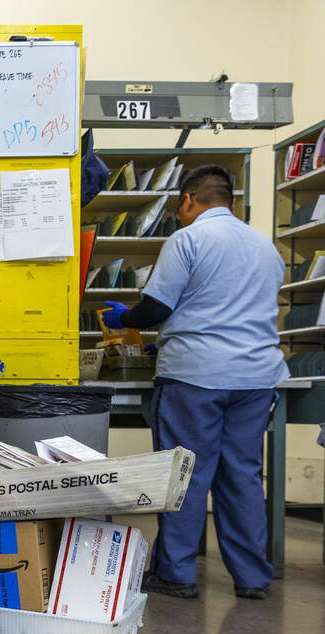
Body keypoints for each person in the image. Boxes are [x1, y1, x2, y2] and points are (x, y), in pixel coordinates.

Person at [101, 164, 287, 600]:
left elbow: (156, 308)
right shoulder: (266, 247)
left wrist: (123, 318)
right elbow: (229, 309)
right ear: (232, 203)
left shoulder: (188, 239)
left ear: (187, 201)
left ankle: (176, 575)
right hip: (256, 378)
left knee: (184, 474)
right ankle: (253, 578)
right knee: (242, 474)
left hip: (195, 376)